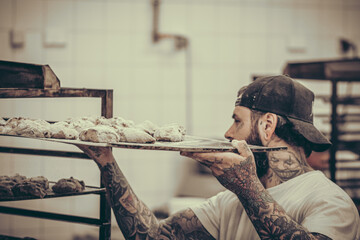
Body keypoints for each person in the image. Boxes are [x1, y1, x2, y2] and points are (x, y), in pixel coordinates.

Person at [77, 75, 360, 240]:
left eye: (237, 121)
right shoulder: (229, 202)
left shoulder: (329, 202)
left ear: (267, 126)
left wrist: (247, 188)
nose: (228, 132)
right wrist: (106, 162)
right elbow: (149, 238)